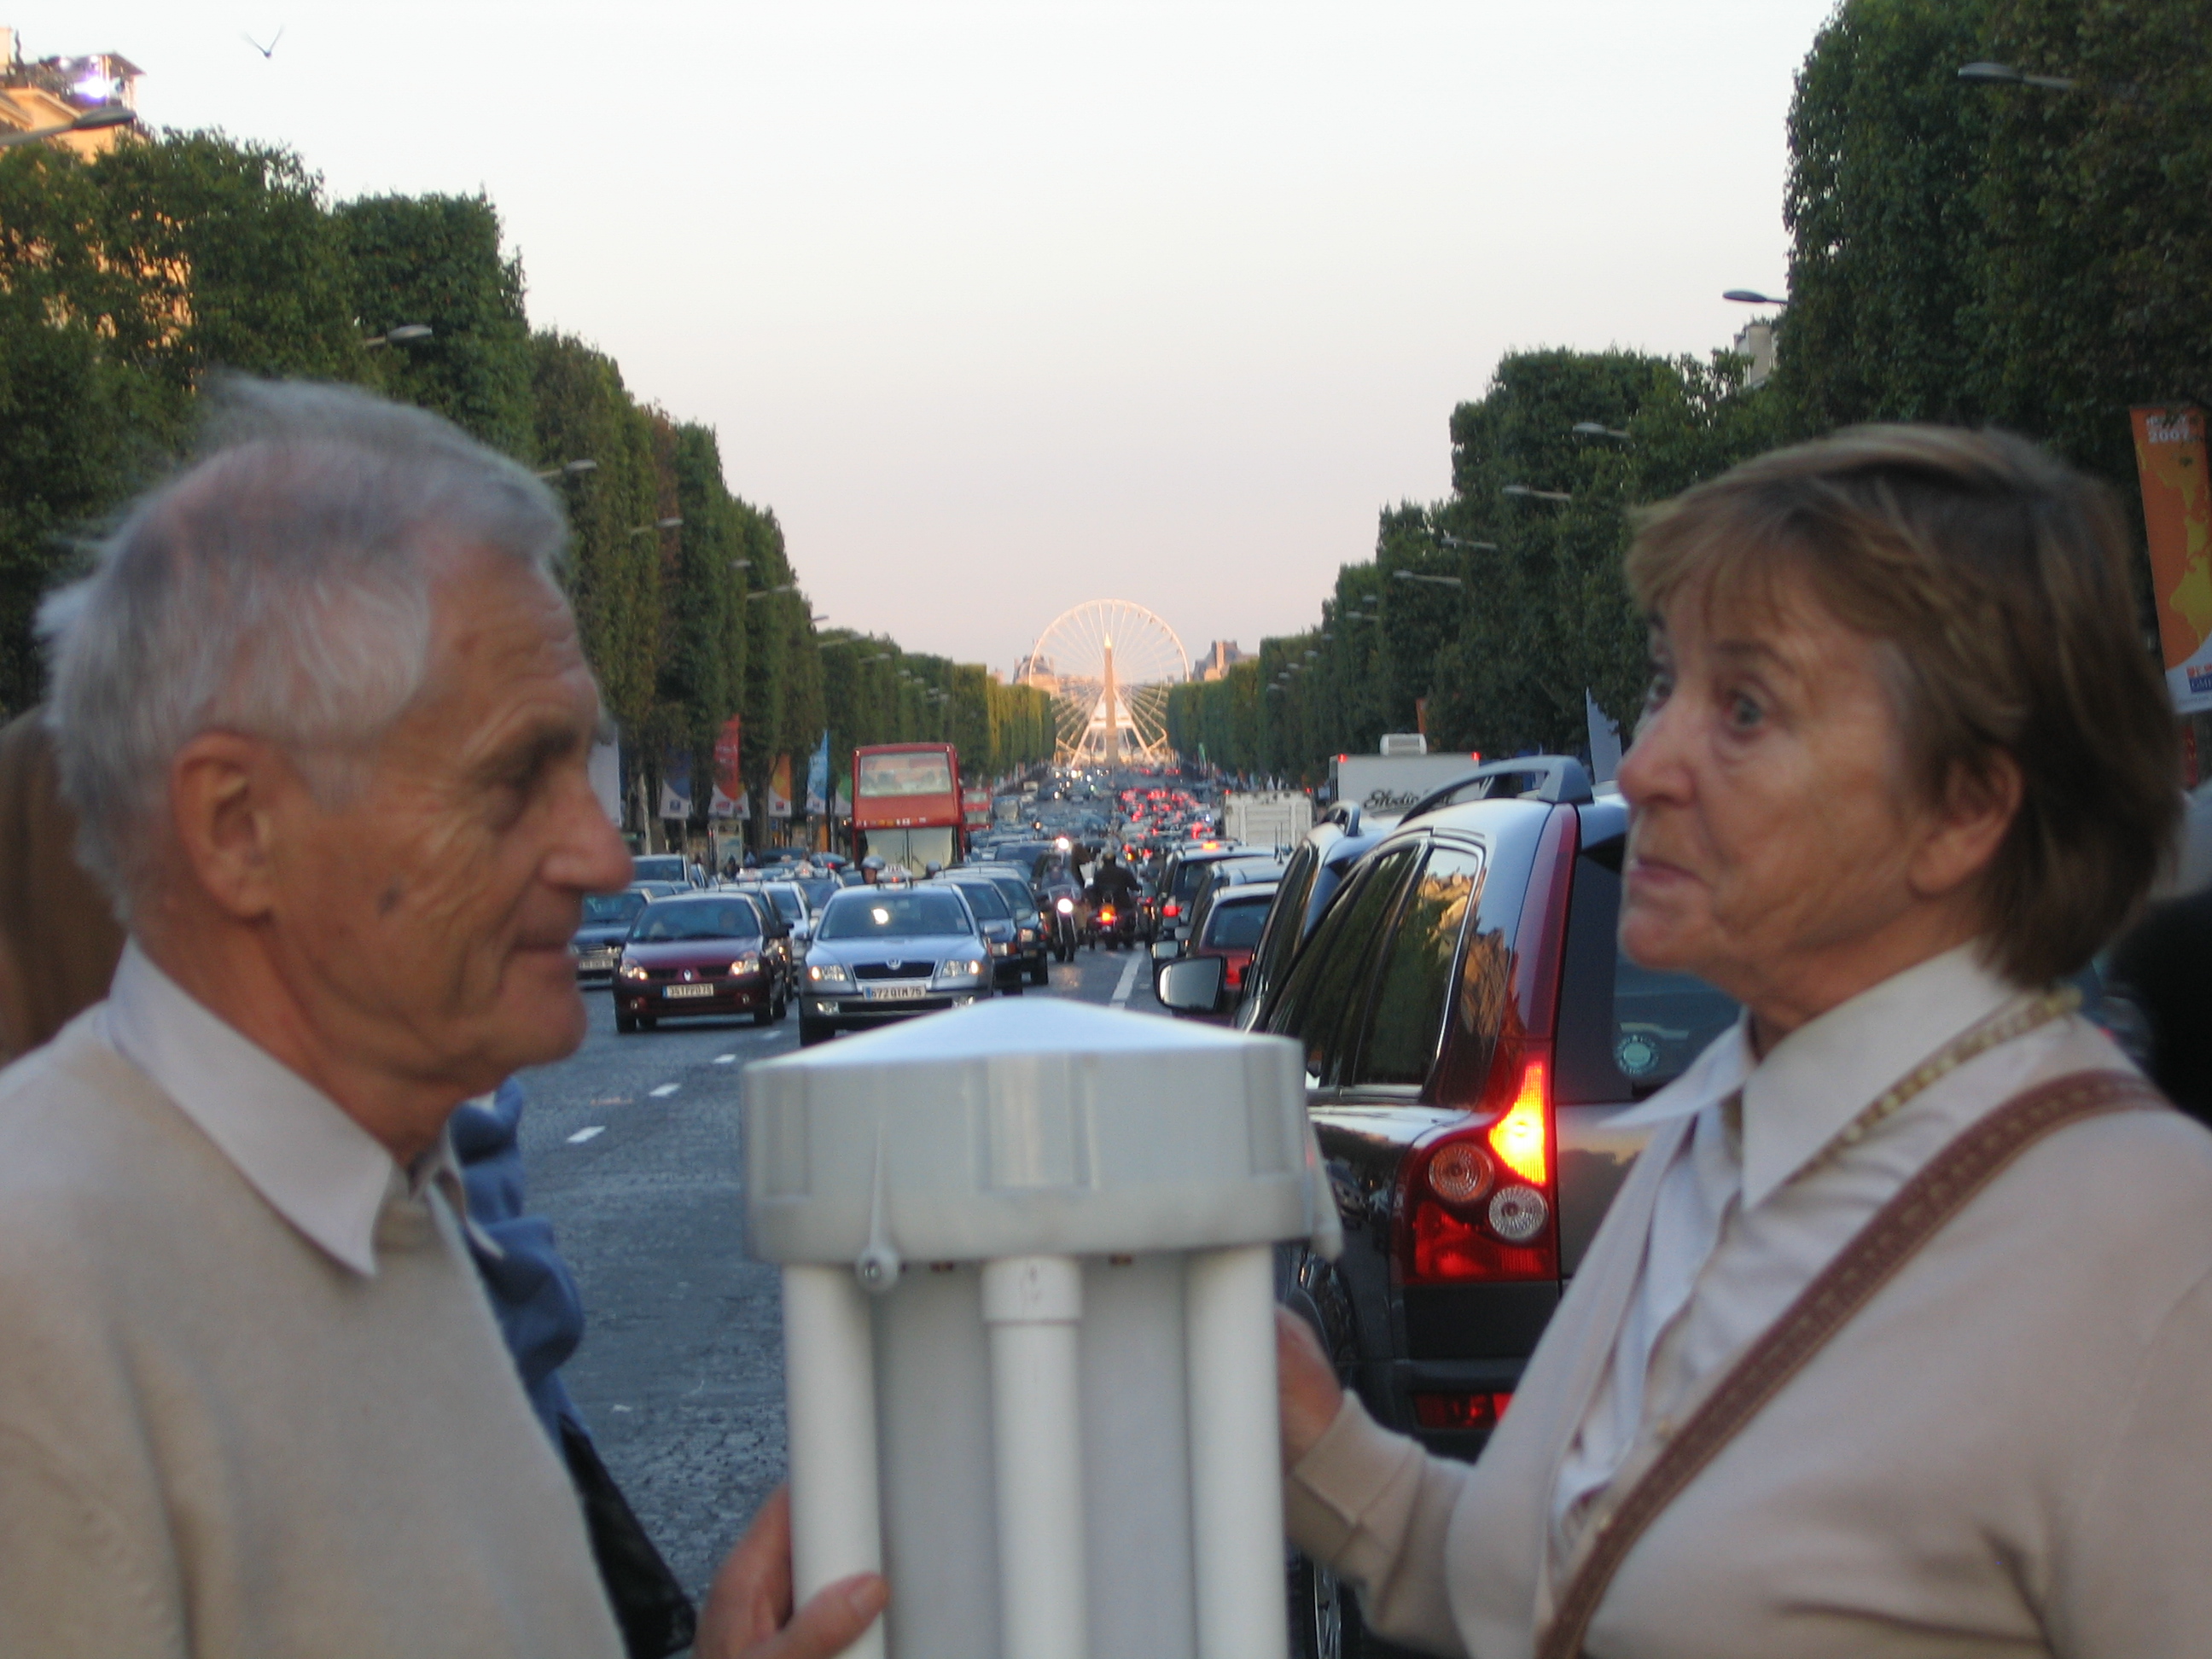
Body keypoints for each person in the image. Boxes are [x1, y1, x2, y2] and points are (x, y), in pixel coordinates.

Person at [1278, 426, 2212, 1656]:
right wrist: (1315, 1441)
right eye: (1667, 683)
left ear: (1967, 808)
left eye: (1749, 707)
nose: (1651, 762)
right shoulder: (1723, 1123)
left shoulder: (2148, 1246)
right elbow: (1565, 1593)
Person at [0, 381, 882, 1659]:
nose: (603, 859)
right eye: (514, 778)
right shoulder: (42, 1343)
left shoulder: (384, 1205)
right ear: (238, 829)